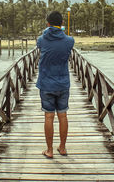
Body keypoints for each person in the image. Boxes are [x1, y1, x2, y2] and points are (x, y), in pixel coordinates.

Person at [36, 11, 74, 158]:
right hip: (63, 83)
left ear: (48, 23)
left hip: (46, 83)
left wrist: (47, 30)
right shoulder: (69, 41)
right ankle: (62, 148)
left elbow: (41, 42)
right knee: (63, 115)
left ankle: (50, 150)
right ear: (62, 24)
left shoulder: (41, 40)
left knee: (49, 117)